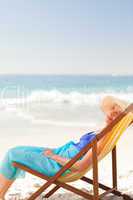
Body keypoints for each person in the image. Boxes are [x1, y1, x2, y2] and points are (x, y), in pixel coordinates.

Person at [0, 96, 128, 198]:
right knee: (19, 151)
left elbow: (80, 165)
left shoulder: (102, 139)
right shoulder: (107, 131)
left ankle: (0, 195)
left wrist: (53, 156)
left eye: (112, 111)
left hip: (60, 166)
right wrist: (109, 120)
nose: (108, 114)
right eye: (109, 111)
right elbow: (111, 105)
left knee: (13, 154)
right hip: (61, 155)